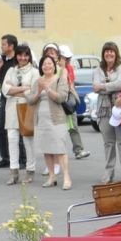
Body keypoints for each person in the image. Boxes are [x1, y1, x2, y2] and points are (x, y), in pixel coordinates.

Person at [27, 54, 72, 190]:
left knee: (60, 149)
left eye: (49, 63)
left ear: (54, 66)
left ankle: (66, 177)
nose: (47, 66)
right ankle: (52, 176)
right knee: (46, 149)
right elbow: (30, 100)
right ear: (41, 67)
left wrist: (47, 89)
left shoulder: (60, 80)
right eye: (44, 64)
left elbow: (61, 97)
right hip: (41, 120)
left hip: (57, 119)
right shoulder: (38, 81)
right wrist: (38, 92)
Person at [92, 41, 121, 184]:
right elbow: (95, 87)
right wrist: (111, 86)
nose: (109, 54)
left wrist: (103, 86)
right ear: (103, 54)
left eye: (111, 51)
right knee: (108, 143)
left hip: (119, 107)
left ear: (116, 53)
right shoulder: (98, 69)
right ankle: (109, 171)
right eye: (106, 51)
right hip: (103, 108)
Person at [1, 43, 39, 185]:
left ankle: (30, 170)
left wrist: (14, 89)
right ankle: (14, 171)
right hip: (11, 108)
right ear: (16, 56)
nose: (23, 58)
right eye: (20, 55)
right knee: (12, 139)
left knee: (28, 140)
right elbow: (5, 90)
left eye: (25, 55)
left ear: (29, 56)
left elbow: (33, 91)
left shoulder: (34, 72)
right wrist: (23, 88)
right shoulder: (11, 70)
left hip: (27, 107)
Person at [0, 34, 24, 169]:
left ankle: (23, 159)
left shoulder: (18, 61)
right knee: (1, 129)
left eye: (4, 44)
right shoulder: (3, 60)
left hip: (16, 98)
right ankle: (6, 157)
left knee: (18, 129)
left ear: (11, 46)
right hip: (4, 98)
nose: (1, 47)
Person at [54, 44, 90, 160]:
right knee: (58, 129)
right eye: (65, 58)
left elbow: (71, 84)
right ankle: (56, 153)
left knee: (73, 126)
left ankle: (78, 150)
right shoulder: (54, 69)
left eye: (68, 58)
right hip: (57, 101)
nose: (67, 60)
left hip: (68, 101)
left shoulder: (69, 68)